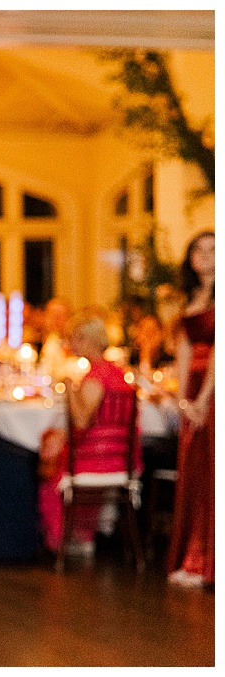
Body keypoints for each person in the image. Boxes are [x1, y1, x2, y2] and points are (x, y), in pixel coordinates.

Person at [40, 317, 138, 555]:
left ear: (87, 341)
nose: (70, 343)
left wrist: (71, 387)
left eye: (74, 338)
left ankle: (65, 537)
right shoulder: (118, 373)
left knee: (48, 468)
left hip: (99, 458)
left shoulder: (97, 376)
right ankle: (81, 534)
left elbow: (82, 420)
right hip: (119, 457)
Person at [168, 230, 214, 588]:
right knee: (193, 469)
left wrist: (203, 400)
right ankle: (191, 556)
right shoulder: (189, 298)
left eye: (213, 250)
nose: (205, 255)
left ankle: (207, 560)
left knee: (212, 471)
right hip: (193, 390)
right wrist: (183, 399)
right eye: (199, 248)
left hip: (214, 389)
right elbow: (183, 351)